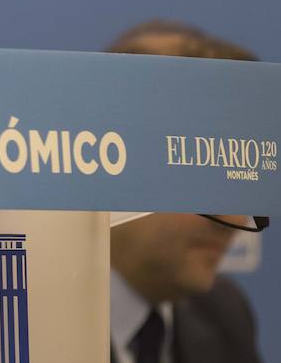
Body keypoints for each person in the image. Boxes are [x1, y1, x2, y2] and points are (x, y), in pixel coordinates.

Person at [106, 20, 264, 363]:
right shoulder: (17, 327)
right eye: (200, 171)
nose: (233, 219)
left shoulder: (224, 315)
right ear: (111, 157)